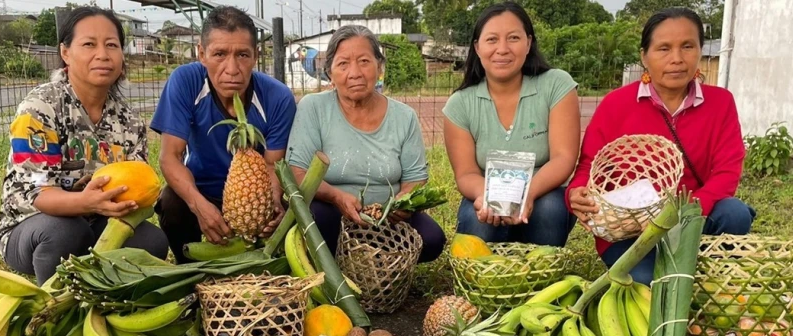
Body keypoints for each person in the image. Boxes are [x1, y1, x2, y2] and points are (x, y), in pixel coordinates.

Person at [566, 7, 755, 285]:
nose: (676, 58)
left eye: (687, 46)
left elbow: (727, 174)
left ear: (700, 50)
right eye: (664, 48)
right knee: (649, 285)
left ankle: (707, 275)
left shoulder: (720, 102)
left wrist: (676, 215)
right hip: (632, 231)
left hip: (693, 221)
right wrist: (576, 193)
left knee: (734, 213)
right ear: (644, 56)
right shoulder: (616, 104)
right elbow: (588, 167)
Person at [0, 6, 168, 285]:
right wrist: (85, 201)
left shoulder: (130, 121)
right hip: (33, 225)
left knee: (151, 241)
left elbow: (136, 184)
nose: (103, 54)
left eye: (111, 45)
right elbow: (35, 193)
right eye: (89, 44)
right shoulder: (40, 108)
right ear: (65, 52)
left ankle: (105, 297)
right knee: (66, 232)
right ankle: (52, 303)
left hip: (97, 222)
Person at [286, 25, 446, 263]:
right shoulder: (313, 107)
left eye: (364, 61)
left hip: (387, 217)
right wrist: (337, 197)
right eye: (343, 64)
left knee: (432, 239)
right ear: (329, 72)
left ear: (379, 67)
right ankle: (339, 267)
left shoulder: (404, 116)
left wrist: (401, 203)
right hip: (332, 213)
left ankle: (375, 266)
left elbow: (415, 178)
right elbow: (297, 172)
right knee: (317, 220)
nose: (355, 73)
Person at [151, 6, 296, 262]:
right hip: (201, 189)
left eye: (243, 55)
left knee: (289, 216)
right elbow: (170, 157)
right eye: (219, 54)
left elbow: (273, 165)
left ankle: (262, 269)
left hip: (255, 194)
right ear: (202, 54)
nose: (232, 68)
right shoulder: (186, 81)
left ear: (256, 56)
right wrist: (198, 205)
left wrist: (273, 200)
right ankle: (189, 269)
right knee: (171, 202)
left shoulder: (278, 97)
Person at [443, 2, 581, 247]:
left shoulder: (556, 85)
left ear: (528, 43)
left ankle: (540, 268)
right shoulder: (460, 104)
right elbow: (466, 174)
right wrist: (489, 197)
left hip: (543, 192)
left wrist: (527, 195)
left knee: (549, 210)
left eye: (513, 38)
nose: (502, 49)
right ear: (477, 47)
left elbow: (563, 158)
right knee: (476, 220)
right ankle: (485, 271)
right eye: (492, 39)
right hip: (488, 191)